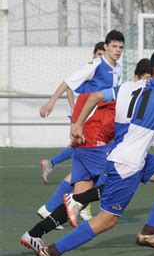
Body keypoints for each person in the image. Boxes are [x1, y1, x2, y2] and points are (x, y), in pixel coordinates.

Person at [35, 49, 154, 256]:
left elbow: (94, 97)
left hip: (130, 155)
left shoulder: (126, 87)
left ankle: (148, 232)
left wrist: (78, 125)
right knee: (106, 221)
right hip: (128, 164)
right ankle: (52, 252)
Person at [20, 59, 151, 254]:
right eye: (146, 79)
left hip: (88, 145)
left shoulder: (137, 94)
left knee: (78, 198)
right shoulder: (123, 90)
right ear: (136, 78)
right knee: (122, 175)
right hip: (92, 143)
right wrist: (76, 124)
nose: (148, 84)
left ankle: (35, 233)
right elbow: (89, 97)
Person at [35, 32, 123, 225]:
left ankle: (52, 212)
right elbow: (69, 81)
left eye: (120, 47)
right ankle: (76, 203)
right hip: (87, 126)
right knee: (113, 171)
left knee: (81, 175)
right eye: (114, 46)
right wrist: (51, 102)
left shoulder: (118, 68)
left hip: (102, 126)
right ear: (106, 47)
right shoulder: (96, 65)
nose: (117, 51)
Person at [39, 42, 106, 185]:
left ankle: (50, 164)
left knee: (79, 149)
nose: (101, 57)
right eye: (99, 54)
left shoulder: (106, 70)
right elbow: (69, 85)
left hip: (95, 116)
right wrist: (73, 108)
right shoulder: (91, 67)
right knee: (86, 152)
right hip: (84, 116)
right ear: (94, 54)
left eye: (103, 54)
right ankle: (73, 196)